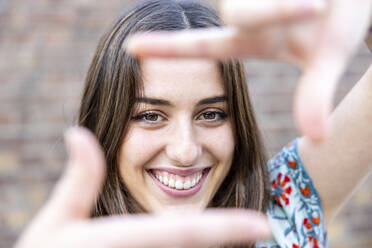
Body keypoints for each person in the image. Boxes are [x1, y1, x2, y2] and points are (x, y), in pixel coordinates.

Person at [14, 0, 372, 248]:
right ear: (107, 125)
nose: (185, 150)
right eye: (151, 116)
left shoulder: (285, 213)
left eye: (211, 114)